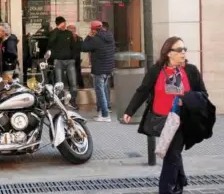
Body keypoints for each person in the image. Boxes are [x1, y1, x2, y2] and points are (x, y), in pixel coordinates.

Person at [123, 37, 210, 194]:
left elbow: (203, 95)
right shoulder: (156, 71)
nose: (183, 53)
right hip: (161, 121)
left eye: (184, 49)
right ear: (169, 53)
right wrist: (130, 111)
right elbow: (143, 90)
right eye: (179, 50)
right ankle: (180, 180)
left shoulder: (190, 71)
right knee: (173, 153)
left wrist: (187, 99)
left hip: (182, 121)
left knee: (171, 155)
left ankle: (165, 190)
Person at [81, 21, 115, 122]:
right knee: (103, 90)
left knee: (100, 92)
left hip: (99, 69)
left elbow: (83, 48)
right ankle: (102, 111)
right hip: (108, 68)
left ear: (93, 29)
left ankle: (105, 115)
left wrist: (88, 36)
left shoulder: (95, 39)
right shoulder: (110, 36)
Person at [48, 16, 78, 109]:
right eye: (63, 23)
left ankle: (73, 101)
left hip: (70, 61)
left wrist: (73, 58)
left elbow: (74, 46)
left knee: (73, 82)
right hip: (58, 61)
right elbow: (50, 42)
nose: (65, 25)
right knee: (59, 83)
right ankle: (60, 102)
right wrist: (57, 29)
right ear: (58, 24)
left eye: (65, 23)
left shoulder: (69, 33)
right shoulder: (54, 33)